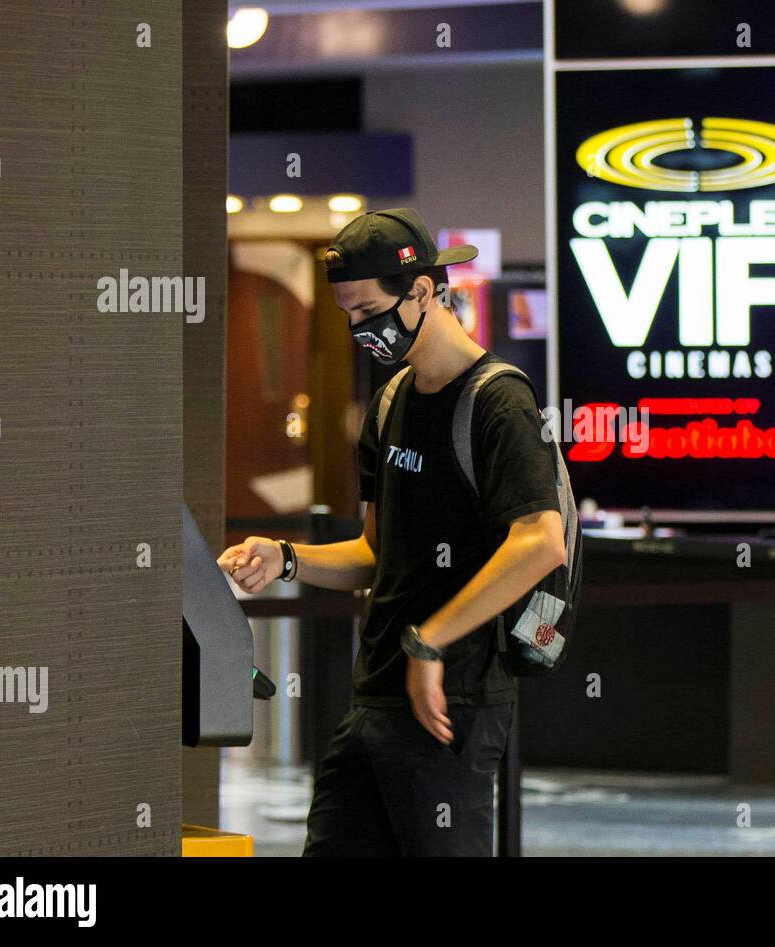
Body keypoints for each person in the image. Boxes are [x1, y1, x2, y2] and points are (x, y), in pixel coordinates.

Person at [217, 208, 565, 856]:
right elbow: (377, 551)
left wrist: (428, 643)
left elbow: (541, 539)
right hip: (374, 696)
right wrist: (286, 558)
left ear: (424, 292)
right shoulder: (390, 401)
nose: (359, 330)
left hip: (450, 702)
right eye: (349, 315)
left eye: (369, 311)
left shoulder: (499, 402)